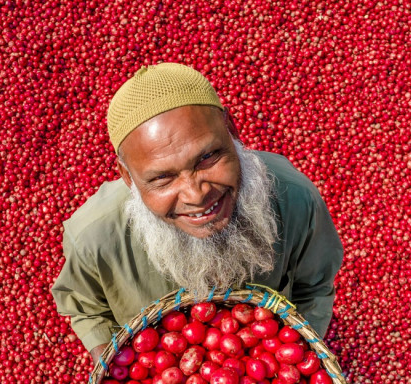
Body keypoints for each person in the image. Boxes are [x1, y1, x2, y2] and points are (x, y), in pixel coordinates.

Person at [52, 63, 343, 362]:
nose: (196, 195)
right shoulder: (93, 236)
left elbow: (315, 286)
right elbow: (86, 306)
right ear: (128, 179)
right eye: (162, 178)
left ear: (231, 131)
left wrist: (297, 358)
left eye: (207, 157)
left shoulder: (293, 197)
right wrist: (119, 369)